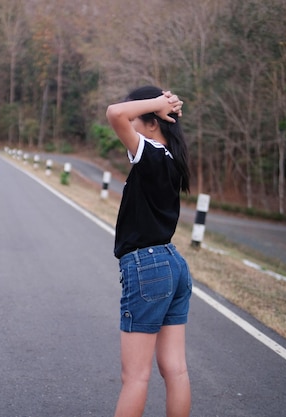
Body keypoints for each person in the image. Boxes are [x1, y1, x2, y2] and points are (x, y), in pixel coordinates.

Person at [106, 86, 192, 417]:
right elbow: (124, 115)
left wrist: (158, 103)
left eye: (137, 118)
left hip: (147, 265)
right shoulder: (170, 157)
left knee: (135, 377)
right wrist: (162, 104)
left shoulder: (153, 155)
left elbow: (115, 113)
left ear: (153, 122)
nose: (131, 123)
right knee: (176, 370)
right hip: (172, 264)